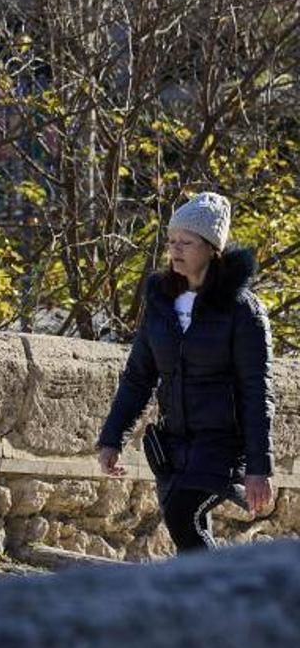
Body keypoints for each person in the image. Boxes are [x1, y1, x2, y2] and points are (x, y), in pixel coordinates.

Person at [97, 192, 275, 552]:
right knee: (187, 534)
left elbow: (257, 391)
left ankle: (225, 599)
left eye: (186, 242)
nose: (175, 250)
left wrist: (260, 468)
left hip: (222, 445)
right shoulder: (161, 302)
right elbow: (138, 377)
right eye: (171, 241)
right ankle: (214, 602)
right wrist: (111, 438)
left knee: (184, 516)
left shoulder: (243, 311)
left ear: (212, 248)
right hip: (174, 443)